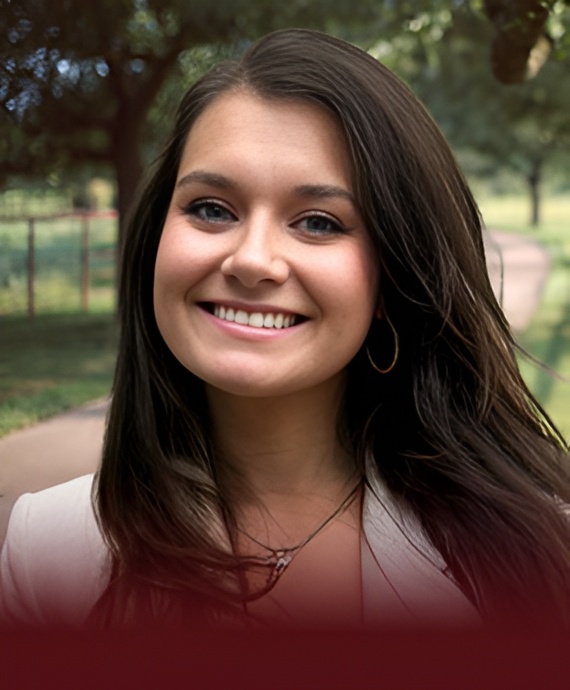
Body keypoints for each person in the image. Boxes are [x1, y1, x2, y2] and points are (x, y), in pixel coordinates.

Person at [1, 28, 569, 631]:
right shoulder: (46, 556)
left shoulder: (539, 553)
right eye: (211, 208)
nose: (251, 260)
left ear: (393, 277)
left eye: (318, 222)